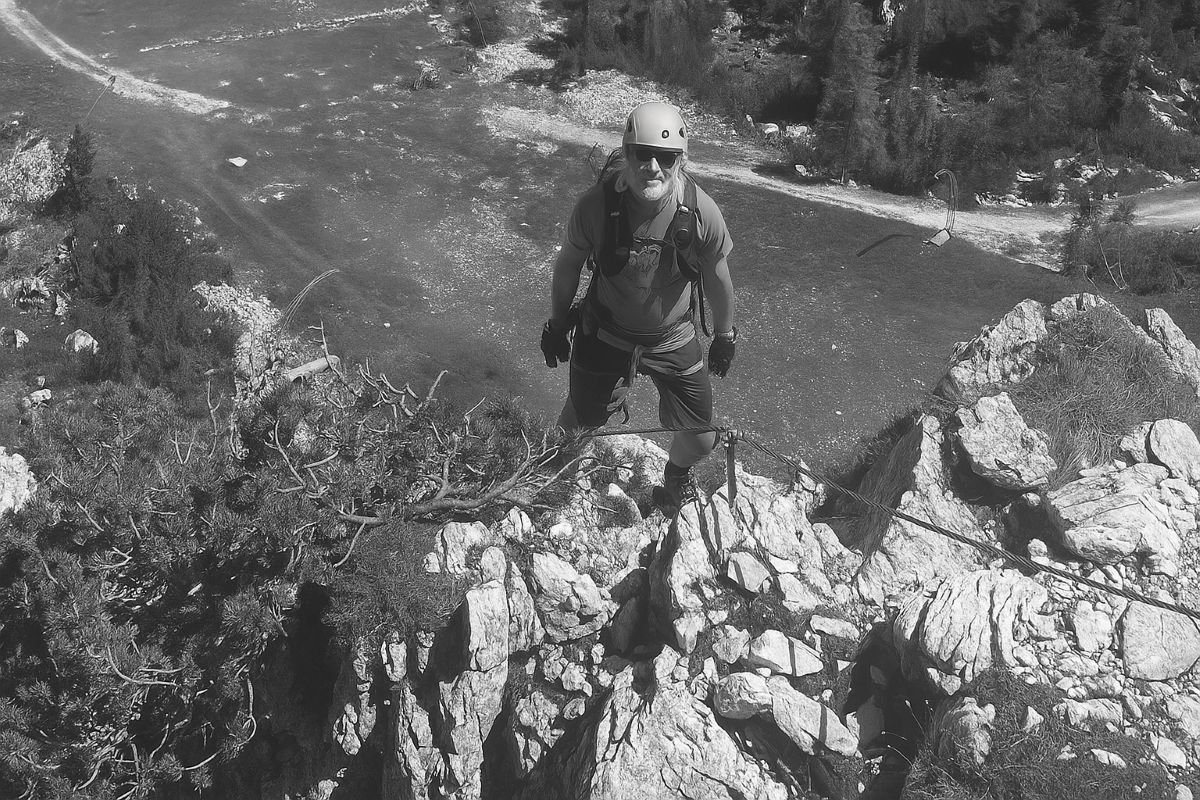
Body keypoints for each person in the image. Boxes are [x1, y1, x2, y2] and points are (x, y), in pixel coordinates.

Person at [541, 101, 738, 507]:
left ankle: (675, 474)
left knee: (702, 437)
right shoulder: (595, 207)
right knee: (577, 423)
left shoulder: (702, 213)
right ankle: (549, 485)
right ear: (627, 153)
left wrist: (724, 334)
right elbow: (569, 266)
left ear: (680, 159)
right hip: (606, 332)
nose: (652, 166)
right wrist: (557, 324)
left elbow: (718, 277)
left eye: (665, 157)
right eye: (642, 153)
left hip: (672, 335)